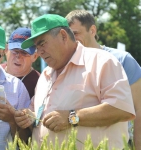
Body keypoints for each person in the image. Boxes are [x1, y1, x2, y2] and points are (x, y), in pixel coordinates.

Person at [14, 14, 135, 149]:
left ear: (63, 36)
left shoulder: (101, 61)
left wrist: (72, 117)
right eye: (36, 47)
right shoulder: (45, 75)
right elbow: (36, 112)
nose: (40, 51)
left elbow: (121, 109)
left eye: (42, 43)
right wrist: (27, 117)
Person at [65, 10, 141, 149]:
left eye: (76, 33)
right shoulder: (68, 66)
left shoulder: (123, 60)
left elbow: (139, 109)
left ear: (92, 30)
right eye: (69, 35)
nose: (72, 40)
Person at [2, 27, 40, 99]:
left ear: (35, 56)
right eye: (15, 51)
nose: (18, 57)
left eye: (24, 53)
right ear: (6, 50)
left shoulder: (40, 83)